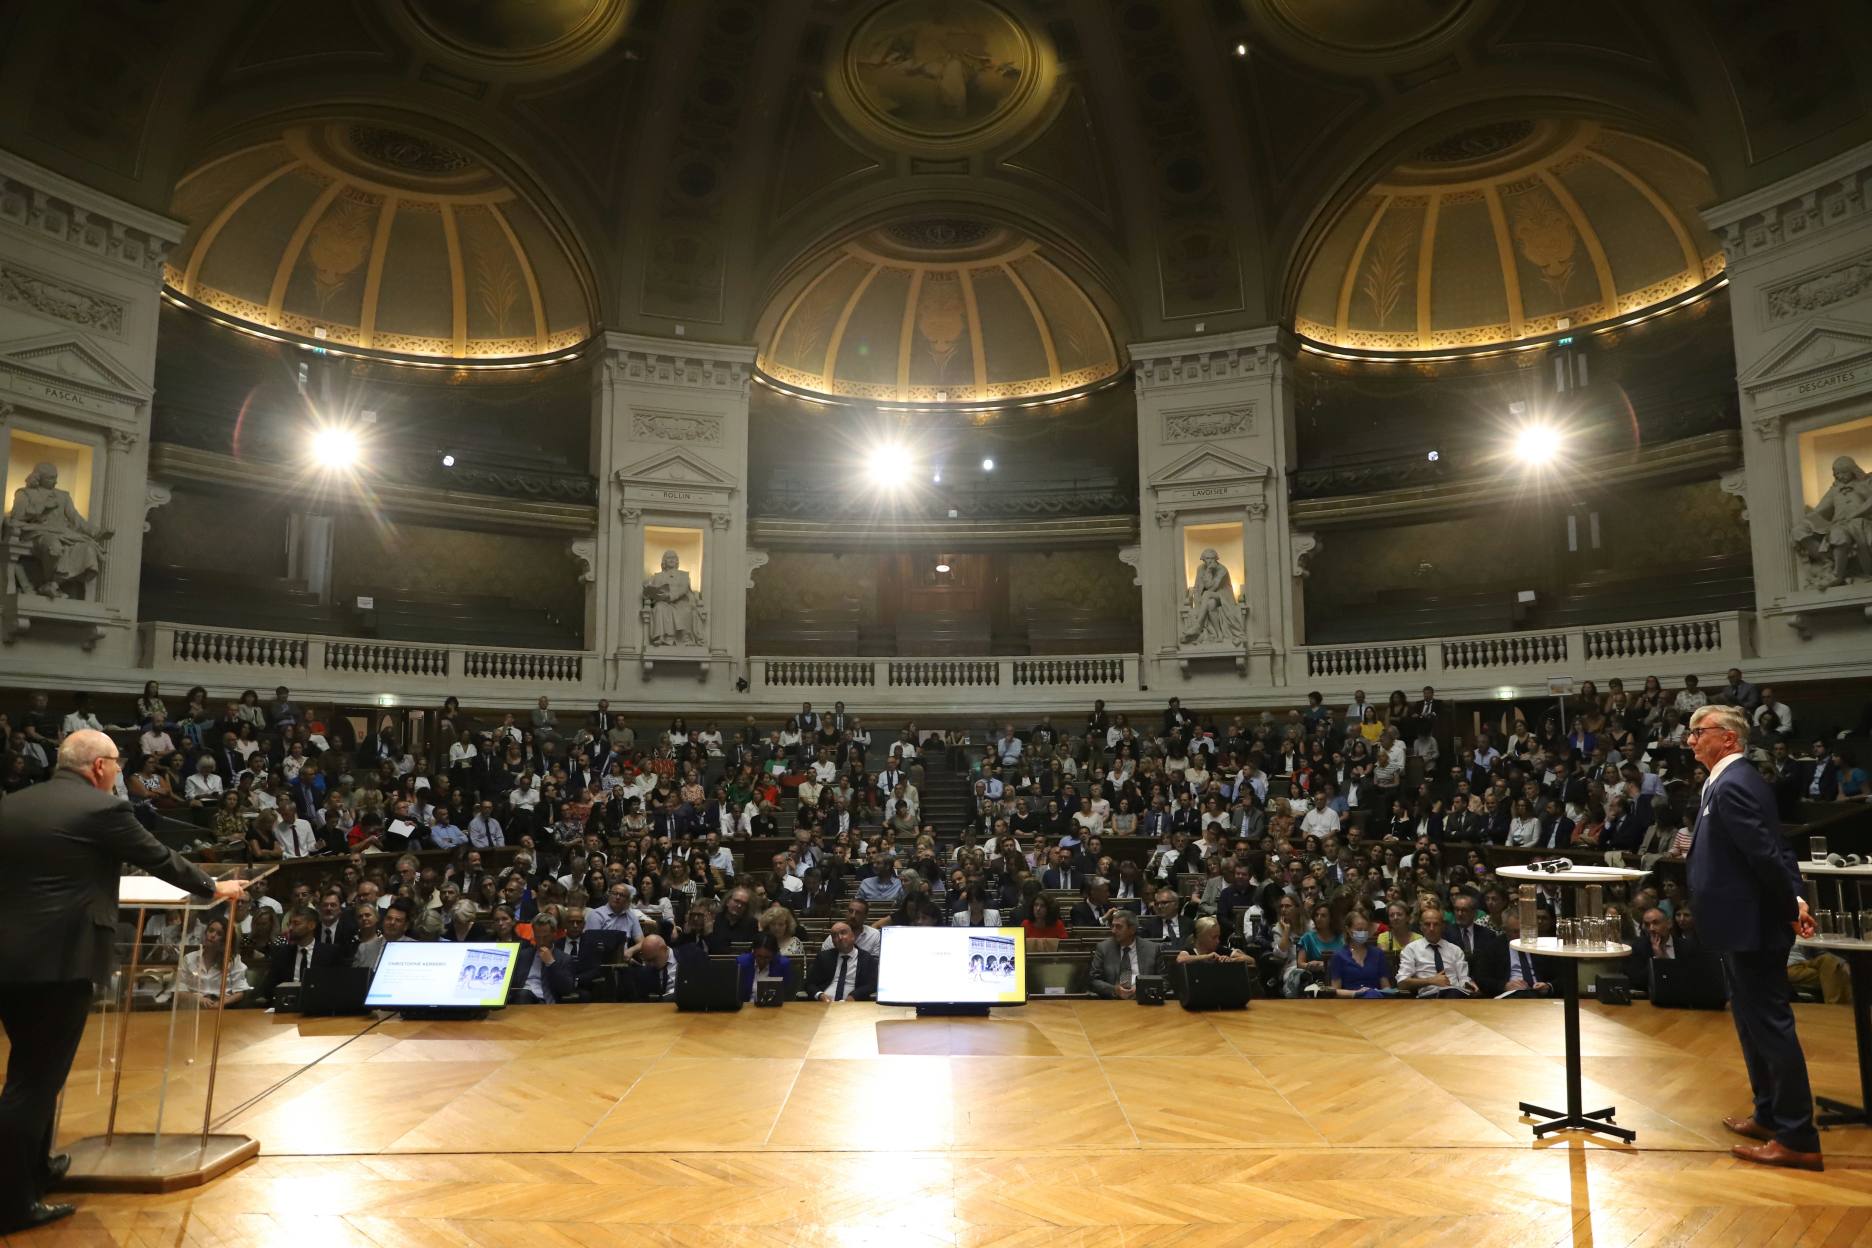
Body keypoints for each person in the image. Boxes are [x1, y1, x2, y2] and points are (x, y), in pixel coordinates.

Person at [0, 731, 245, 1233]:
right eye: (116, 763)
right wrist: (211, 886)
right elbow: (160, 858)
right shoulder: (101, 811)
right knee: (32, 1082)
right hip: (60, 962)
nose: (118, 773)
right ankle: (12, 1201)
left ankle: (39, 1168)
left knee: (33, 1069)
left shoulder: (13, 805)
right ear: (97, 767)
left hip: (10, 961)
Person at [1684, 704, 1821, 1171]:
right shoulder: (1725, 780)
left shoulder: (1736, 781)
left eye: (1697, 731)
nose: (1689, 740)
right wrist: (1796, 900)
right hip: (1739, 923)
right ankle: (1768, 1114)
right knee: (1750, 1025)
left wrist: (1789, 909)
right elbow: (1776, 844)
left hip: (1753, 925)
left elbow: (1765, 854)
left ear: (1727, 738)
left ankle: (1798, 1136)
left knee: (1770, 1027)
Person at [1089, 909, 1159, 1000]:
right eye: (1112, 926)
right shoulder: (1104, 948)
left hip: (1144, 1000)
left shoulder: (1152, 949)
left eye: (1118, 927)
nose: (1113, 931)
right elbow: (1093, 980)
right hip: (1113, 1003)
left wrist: (1143, 989)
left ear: (1132, 929)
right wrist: (1115, 990)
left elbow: (1164, 980)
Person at [807, 921, 876, 1002]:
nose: (839, 938)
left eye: (843, 933)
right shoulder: (824, 957)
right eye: (834, 936)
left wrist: (854, 996)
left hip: (854, 1006)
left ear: (853, 936)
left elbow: (871, 985)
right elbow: (809, 984)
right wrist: (820, 995)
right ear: (833, 941)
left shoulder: (866, 958)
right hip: (824, 1004)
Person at [1327, 912, 1392, 998]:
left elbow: (1385, 986)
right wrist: (1355, 993)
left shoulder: (1378, 954)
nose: (1363, 933)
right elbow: (1335, 990)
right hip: (1350, 1002)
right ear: (1348, 929)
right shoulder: (1339, 956)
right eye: (1359, 930)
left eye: (1365, 930)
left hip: (1375, 1000)